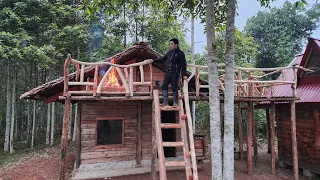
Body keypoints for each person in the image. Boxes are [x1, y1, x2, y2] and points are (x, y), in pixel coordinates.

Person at [152, 38, 187, 106]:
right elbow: (162, 59)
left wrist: (184, 75)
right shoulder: (169, 52)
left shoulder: (181, 53)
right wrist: (153, 61)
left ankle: (175, 102)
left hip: (175, 73)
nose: (170, 45)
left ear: (176, 44)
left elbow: (184, 65)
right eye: (170, 44)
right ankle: (165, 102)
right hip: (167, 73)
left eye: (172, 44)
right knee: (164, 86)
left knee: (174, 87)